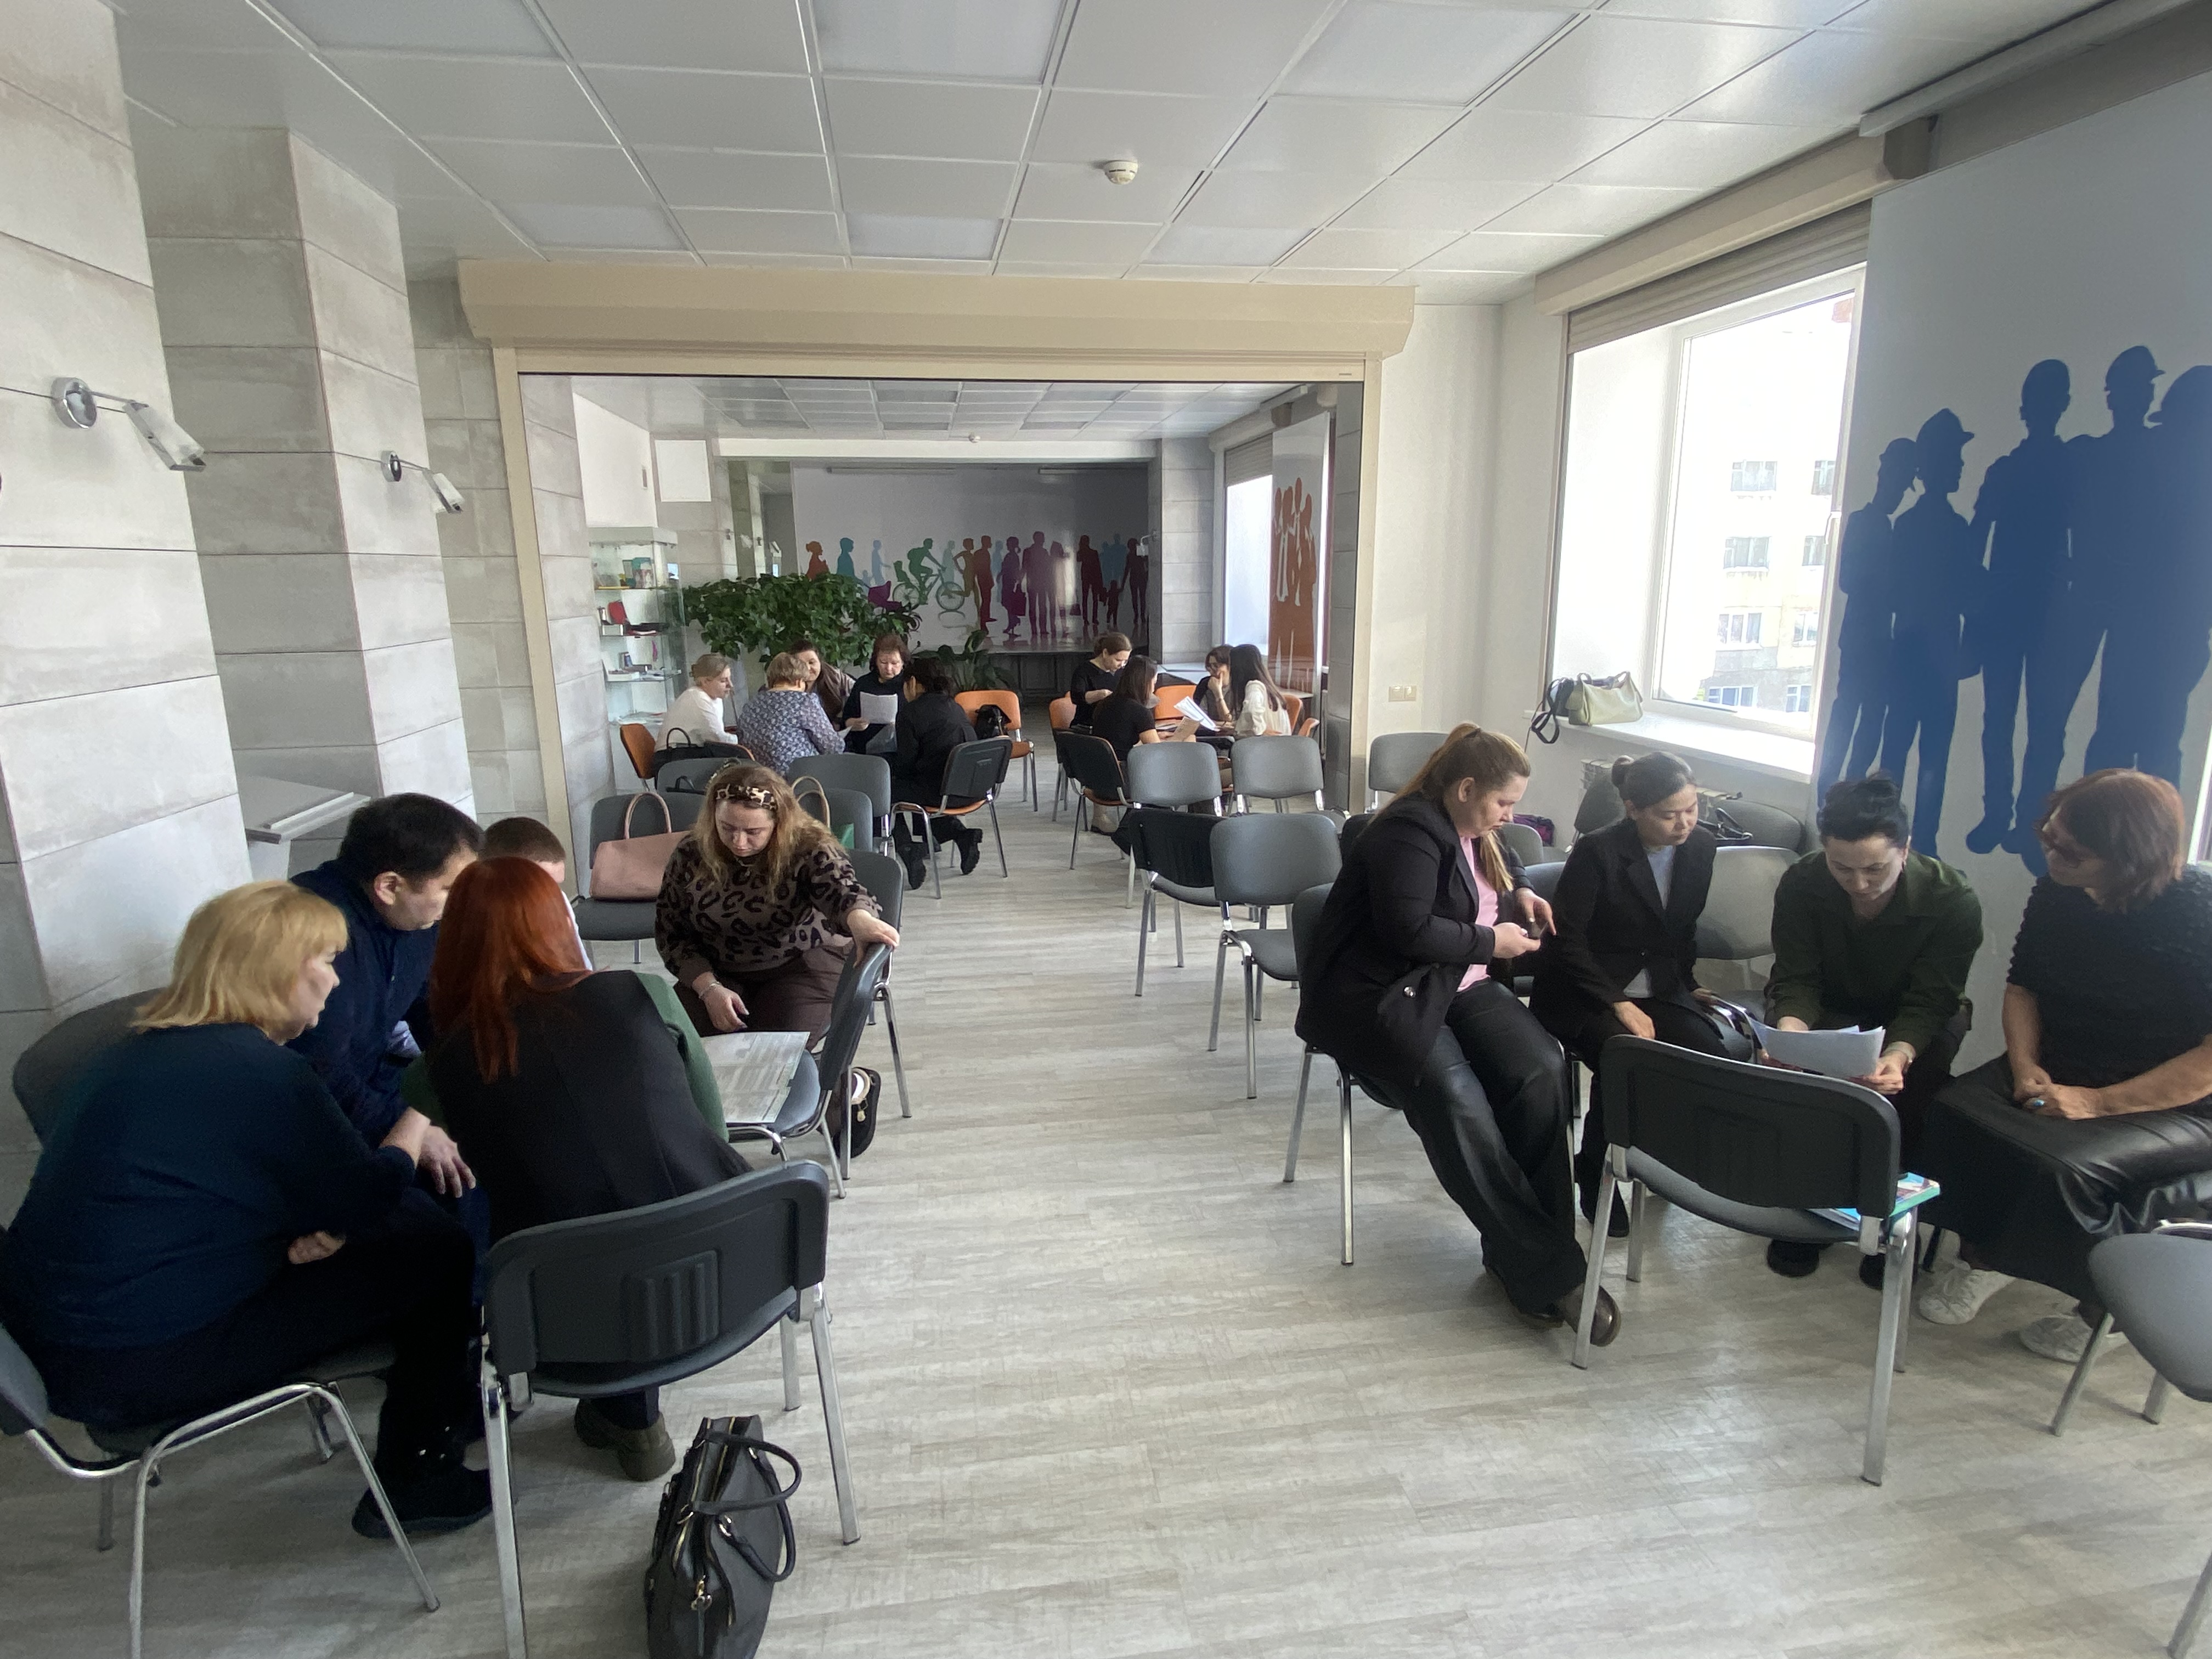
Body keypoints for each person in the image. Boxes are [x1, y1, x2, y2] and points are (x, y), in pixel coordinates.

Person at [0, 883, 486, 1539]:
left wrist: (329, 1223)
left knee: (394, 1233)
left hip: (53, 1338)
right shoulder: (262, 1073)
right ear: (278, 973)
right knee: (438, 1249)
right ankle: (419, 1475)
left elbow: (205, 1187)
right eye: (326, 962)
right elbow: (370, 1195)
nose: (335, 980)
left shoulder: (133, 1052)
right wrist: (417, 1111)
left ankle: (437, 1411)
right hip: (136, 1363)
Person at [410, 859, 747, 1481]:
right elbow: (712, 1129)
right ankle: (631, 1420)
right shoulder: (642, 993)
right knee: (636, 1206)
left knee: (558, 1225)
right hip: (733, 1273)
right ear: (558, 924)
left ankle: (629, 1418)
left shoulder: (437, 1068)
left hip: (566, 1324)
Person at [1296, 725, 1616, 1344]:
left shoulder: (1474, 825)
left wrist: (1522, 887)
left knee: (1542, 1069)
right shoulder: (1406, 833)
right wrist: (1492, 940)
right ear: (1466, 788)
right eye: (1504, 802)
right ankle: (1553, 1273)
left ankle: (1525, 1259)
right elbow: (1409, 931)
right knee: (1459, 1102)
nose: (1511, 815)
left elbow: (1499, 853)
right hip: (1386, 995)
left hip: (1457, 984)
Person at [1915, 770, 2212, 1362]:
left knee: (2065, 1166)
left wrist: (2097, 1103)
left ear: (2127, 858)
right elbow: (2024, 987)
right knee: (1953, 1114)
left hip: (2174, 1095)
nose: (2050, 853)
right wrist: (2025, 1064)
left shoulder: (2200, 914)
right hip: (2064, 1060)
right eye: (2049, 835)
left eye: (2070, 850)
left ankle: (2102, 1309)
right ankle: (1987, 1257)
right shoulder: (2057, 891)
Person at [1762, 774, 1982, 1279]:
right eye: (1842, 868)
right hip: (1829, 1006)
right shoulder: (1803, 881)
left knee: (1907, 1100)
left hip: (1915, 1016)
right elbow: (1797, 976)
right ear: (1825, 851)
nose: (1859, 883)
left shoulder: (1952, 898)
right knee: (1811, 1094)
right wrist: (1792, 1034)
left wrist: (1899, 1054)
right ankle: (1810, 1211)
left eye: (1875, 869)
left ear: (1906, 849)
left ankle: (1889, 1223)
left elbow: (1931, 1000)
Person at [1531, 752, 1730, 1238]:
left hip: (1658, 985)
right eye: (1669, 815)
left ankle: (1658, 1157)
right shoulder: (1598, 851)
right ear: (1633, 809)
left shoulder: (1701, 847)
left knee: (1710, 1053)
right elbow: (1566, 941)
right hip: (1585, 989)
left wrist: (1689, 984)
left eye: (1692, 810)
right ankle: (1596, 1168)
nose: (1684, 824)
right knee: (1628, 1056)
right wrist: (1618, 1003)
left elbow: (1681, 929)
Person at [291, 794, 482, 1202]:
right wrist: (415, 1127)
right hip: (315, 1115)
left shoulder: (416, 916)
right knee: (462, 1181)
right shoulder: (315, 934)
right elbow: (319, 1074)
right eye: (450, 888)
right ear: (390, 886)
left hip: (376, 1081)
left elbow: (431, 1012)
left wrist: (473, 1072)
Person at [656, 763, 900, 1041]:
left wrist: (861, 920)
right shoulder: (690, 853)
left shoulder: (808, 847)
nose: (739, 842)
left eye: (753, 832)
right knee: (685, 1045)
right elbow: (672, 934)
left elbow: (841, 891)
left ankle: (830, 1074)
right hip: (719, 966)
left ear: (778, 823)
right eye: (727, 828)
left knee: (775, 1048)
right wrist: (708, 988)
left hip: (800, 964)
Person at [1962, 364, 2073, 855]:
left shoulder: (2070, 468)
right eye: (2037, 399)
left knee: (2045, 725)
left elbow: (2084, 538)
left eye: (2051, 398)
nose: (2042, 409)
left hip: (2050, 615)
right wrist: (1978, 601)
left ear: (2062, 404)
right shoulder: (2005, 470)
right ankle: (1997, 814)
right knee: (2000, 722)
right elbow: (1976, 538)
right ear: (2026, 408)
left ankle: (2033, 823)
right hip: (2006, 614)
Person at [1877, 409, 1983, 859]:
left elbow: (1969, 592)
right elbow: (1966, 591)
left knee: (1923, 754)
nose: (1959, 466)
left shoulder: (1939, 526)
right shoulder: (1932, 528)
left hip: (1929, 653)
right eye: (1953, 457)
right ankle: (1896, 835)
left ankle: (1916, 840)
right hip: (1924, 653)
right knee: (1910, 752)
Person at [1818, 437, 1914, 797]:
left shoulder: (1893, 528)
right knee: (1848, 713)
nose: (1899, 493)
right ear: (1885, 477)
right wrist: (1887, 584)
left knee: (1873, 716)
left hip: (1882, 640)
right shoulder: (1863, 522)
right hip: (1861, 637)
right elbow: (1848, 580)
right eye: (1898, 482)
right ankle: (1830, 788)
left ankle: (1853, 785)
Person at [890, 654, 985, 887]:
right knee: (922, 787)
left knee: (885, 792)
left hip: (941, 793)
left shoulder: (910, 713)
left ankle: (908, 850)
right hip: (973, 788)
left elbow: (905, 765)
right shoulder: (955, 706)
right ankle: (962, 835)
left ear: (913, 682)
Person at [735, 651, 844, 773]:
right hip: (800, 777)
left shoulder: (751, 705)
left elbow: (742, 741)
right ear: (799, 681)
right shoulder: (804, 701)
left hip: (762, 777)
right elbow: (832, 746)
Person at [1090, 654, 1199, 771]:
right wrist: (1178, 742)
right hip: (1128, 772)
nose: (1154, 689)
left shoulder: (1103, 704)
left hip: (1101, 772)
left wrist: (1156, 738)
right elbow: (1156, 753)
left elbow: (1119, 740)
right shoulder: (1140, 712)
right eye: (1154, 683)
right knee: (1190, 740)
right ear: (1146, 683)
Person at [663, 653, 749, 758]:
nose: (730, 685)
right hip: (672, 756)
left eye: (729, 679)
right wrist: (743, 740)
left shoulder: (714, 697)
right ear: (705, 682)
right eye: (723, 681)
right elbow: (718, 739)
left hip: (689, 752)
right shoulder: (698, 698)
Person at [841, 633, 908, 755]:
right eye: (883, 662)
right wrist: (852, 724)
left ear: (903, 663)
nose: (888, 668)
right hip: (864, 749)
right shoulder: (863, 683)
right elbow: (846, 719)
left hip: (899, 749)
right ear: (876, 661)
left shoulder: (909, 685)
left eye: (894, 663)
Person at [786, 638, 853, 736]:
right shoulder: (785, 685)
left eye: (812, 663)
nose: (808, 668)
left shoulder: (834, 676)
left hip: (836, 733)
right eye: (802, 665)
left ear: (820, 662)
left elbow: (857, 690)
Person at [1227, 642, 1292, 736]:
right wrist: (1236, 726)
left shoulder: (1254, 686)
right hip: (1280, 743)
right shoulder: (1268, 687)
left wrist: (1261, 730)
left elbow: (1251, 710)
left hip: (1265, 743)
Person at [1068, 633, 1130, 729]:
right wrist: (1100, 695)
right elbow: (1076, 698)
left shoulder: (1122, 672)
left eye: (1125, 661)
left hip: (1114, 724)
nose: (1122, 665)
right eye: (1118, 660)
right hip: (1087, 725)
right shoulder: (1083, 671)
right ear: (1105, 653)